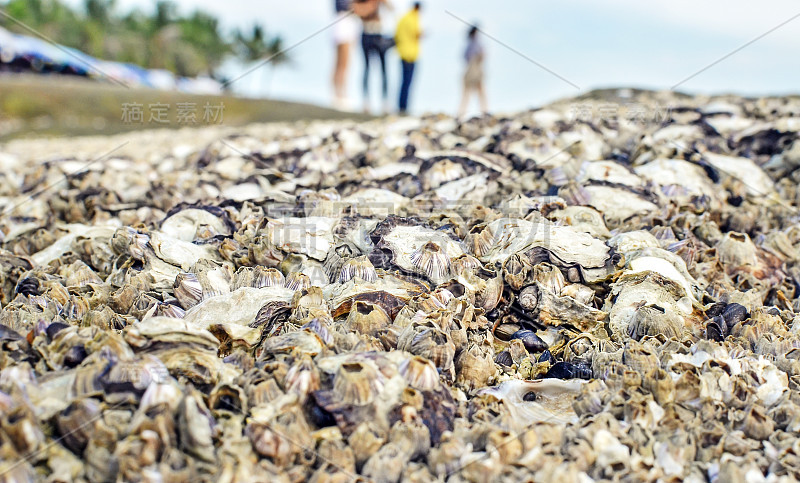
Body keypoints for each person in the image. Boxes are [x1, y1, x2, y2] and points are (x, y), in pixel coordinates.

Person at [353, 0, 393, 114]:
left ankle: (385, 102)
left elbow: (391, 9)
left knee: (384, 70)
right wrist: (371, 5)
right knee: (366, 69)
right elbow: (356, 11)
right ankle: (366, 102)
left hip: (378, 33)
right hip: (366, 33)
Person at [331, 0, 359, 110]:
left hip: (345, 22)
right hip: (344, 21)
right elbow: (352, 7)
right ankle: (340, 96)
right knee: (343, 62)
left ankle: (339, 95)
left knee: (341, 63)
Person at [395, 2, 421, 115]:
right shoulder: (413, 18)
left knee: (403, 82)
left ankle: (401, 106)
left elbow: (397, 35)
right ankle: (403, 107)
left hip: (402, 53)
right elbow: (416, 34)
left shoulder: (403, 18)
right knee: (407, 82)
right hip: (410, 55)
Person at [458, 25, 488, 118]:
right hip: (472, 70)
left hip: (474, 70)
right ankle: (462, 112)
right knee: (470, 92)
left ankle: (484, 111)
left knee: (478, 91)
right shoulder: (473, 44)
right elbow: (482, 56)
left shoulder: (472, 44)